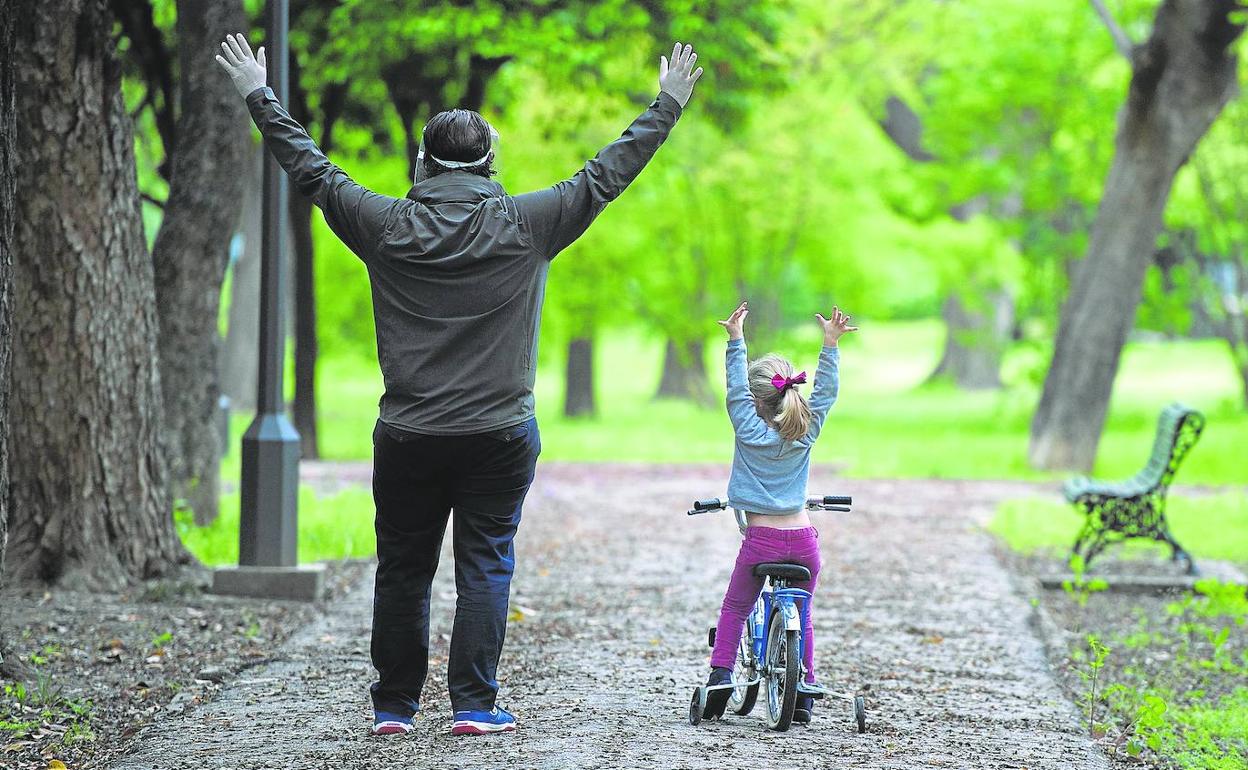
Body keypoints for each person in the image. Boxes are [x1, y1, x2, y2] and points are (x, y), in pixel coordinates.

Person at [215, 33, 704, 737]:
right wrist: (666, 106)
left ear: (422, 161)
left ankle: (393, 708)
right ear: (490, 162)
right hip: (500, 434)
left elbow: (313, 171)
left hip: (410, 433)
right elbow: (606, 173)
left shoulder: (385, 225)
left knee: (403, 569)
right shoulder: (529, 223)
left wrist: (258, 94)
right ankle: (474, 705)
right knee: (485, 564)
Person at [702, 301, 856, 724]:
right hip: (805, 543)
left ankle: (719, 679)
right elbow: (825, 394)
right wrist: (830, 344)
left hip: (762, 540)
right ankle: (802, 692)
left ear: (755, 402)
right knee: (803, 616)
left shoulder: (749, 431)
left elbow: (734, 390)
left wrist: (736, 340)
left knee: (736, 607)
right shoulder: (805, 433)